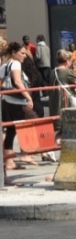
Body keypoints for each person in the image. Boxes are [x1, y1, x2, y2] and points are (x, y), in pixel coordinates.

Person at [2, 39, 35, 174]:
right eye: (22, 53)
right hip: (17, 101)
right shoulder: (15, 63)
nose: (25, 55)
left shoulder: (4, 65)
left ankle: (9, 161)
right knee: (32, 123)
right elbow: (17, 82)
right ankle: (27, 154)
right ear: (14, 53)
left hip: (6, 101)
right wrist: (29, 97)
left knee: (11, 131)